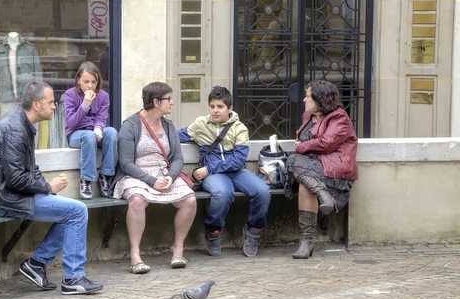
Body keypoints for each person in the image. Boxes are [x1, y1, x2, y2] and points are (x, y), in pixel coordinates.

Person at [0, 81, 103, 295]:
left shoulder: (23, 123)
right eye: (50, 102)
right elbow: (15, 179)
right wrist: (47, 186)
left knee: (71, 211)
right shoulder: (15, 129)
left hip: (13, 195)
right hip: (7, 199)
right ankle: (72, 278)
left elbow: (30, 167)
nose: (54, 106)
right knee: (77, 211)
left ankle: (37, 264)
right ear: (36, 105)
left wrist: (47, 188)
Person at [111, 81, 197, 274]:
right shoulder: (130, 125)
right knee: (137, 200)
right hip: (136, 174)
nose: (172, 102)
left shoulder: (168, 125)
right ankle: (135, 255)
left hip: (163, 173)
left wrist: (171, 176)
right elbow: (126, 163)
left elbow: (177, 158)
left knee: (190, 199)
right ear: (156, 102)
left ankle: (178, 249)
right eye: (168, 99)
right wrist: (151, 181)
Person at [179, 86, 271, 257]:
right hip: (214, 176)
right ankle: (213, 232)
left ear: (229, 108)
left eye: (220, 107)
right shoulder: (201, 124)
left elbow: (237, 161)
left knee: (262, 191)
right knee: (222, 192)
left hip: (234, 171)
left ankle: (253, 232)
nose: (215, 110)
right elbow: (177, 136)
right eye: (212, 106)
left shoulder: (239, 128)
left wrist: (208, 169)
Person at [286, 80, 358, 260]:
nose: (304, 100)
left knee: (295, 162)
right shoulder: (307, 116)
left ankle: (307, 241)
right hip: (312, 167)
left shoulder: (339, 117)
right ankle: (307, 239)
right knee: (301, 176)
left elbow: (327, 143)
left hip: (334, 170)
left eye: (308, 96)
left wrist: (302, 146)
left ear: (320, 100)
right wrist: (302, 146)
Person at [64, 62, 118, 199]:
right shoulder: (70, 95)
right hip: (76, 134)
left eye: (94, 82)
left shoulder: (103, 96)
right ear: (78, 80)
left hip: (94, 132)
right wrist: (85, 105)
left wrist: (99, 128)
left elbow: (102, 117)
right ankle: (87, 180)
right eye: (86, 81)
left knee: (111, 132)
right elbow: (71, 123)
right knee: (88, 136)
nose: (90, 86)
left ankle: (106, 175)